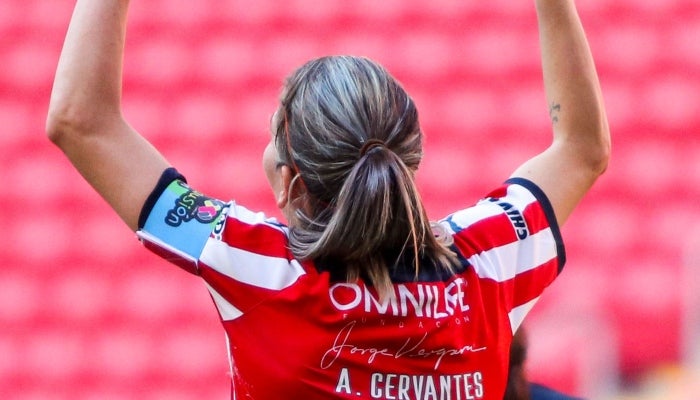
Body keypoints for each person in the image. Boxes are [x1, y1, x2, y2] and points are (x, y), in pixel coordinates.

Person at [46, 0, 610, 399]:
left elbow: (80, 121)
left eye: (272, 135)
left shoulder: (255, 268)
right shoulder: (489, 263)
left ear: (291, 182)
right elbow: (583, 149)